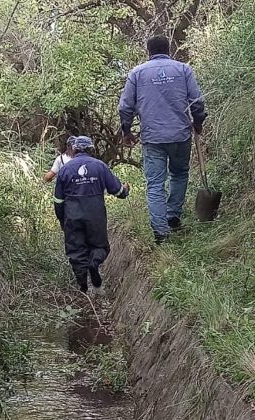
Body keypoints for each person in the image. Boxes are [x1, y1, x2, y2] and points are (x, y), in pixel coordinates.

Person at [118, 35, 207, 244]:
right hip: (180, 135)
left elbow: (125, 107)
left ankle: (161, 231)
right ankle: (172, 216)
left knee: (155, 184)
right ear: (169, 50)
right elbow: (197, 101)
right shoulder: (183, 69)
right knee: (179, 173)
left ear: (148, 52)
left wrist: (127, 131)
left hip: (153, 138)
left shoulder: (137, 73)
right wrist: (198, 122)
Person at [54, 136, 130, 293]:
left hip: (72, 215)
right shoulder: (100, 166)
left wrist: (63, 220)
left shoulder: (65, 170)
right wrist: (126, 190)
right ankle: (94, 265)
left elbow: (58, 201)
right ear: (91, 150)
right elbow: (117, 191)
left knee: (76, 250)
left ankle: (82, 286)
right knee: (99, 246)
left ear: (74, 150)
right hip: (95, 214)